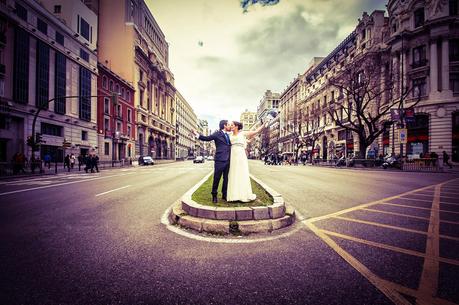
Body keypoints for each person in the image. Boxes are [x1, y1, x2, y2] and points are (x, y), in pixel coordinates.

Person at [226, 121, 266, 202]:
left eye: (232, 125)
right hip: (233, 155)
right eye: (230, 125)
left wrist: (263, 125)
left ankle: (243, 194)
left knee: (241, 173)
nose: (231, 126)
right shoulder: (229, 135)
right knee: (233, 173)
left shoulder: (243, 134)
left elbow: (256, 131)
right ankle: (234, 196)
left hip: (241, 155)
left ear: (237, 126)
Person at [194, 120, 232, 203]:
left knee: (226, 178)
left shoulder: (229, 135)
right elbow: (207, 138)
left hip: (228, 160)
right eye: (228, 125)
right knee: (217, 178)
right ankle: (214, 195)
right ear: (224, 125)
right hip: (219, 160)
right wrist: (197, 134)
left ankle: (224, 194)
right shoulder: (217, 134)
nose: (230, 126)